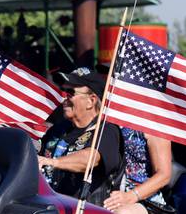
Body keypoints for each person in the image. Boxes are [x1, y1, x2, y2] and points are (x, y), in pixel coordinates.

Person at [37, 67, 123, 205]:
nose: (64, 96)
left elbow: (90, 158)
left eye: (70, 92)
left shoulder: (106, 130)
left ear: (91, 101)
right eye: (63, 90)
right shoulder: (58, 129)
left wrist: (54, 162)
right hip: (49, 207)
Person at [103, 127, 174, 214]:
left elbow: (164, 175)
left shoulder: (151, 122)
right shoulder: (102, 119)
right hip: (104, 195)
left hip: (144, 202)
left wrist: (131, 196)